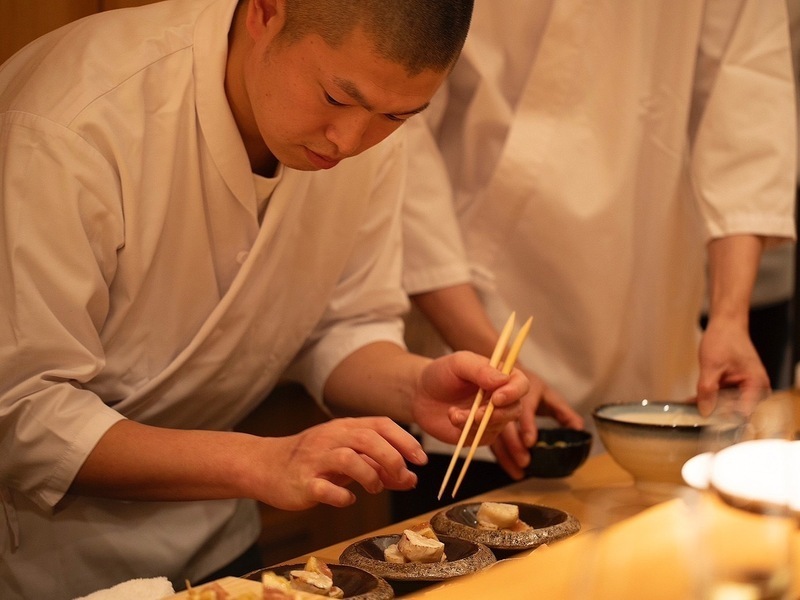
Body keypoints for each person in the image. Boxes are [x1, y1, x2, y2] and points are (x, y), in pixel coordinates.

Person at [0, 0, 533, 598]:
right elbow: (23, 411)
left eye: (396, 116)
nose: (351, 141)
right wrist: (263, 463)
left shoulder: (369, 114)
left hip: (222, 542)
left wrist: (417, 386)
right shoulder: (73, 123)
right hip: (43, 564)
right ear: (266, 12)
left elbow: (344, 323)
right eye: (336, 99)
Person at [393, 0, 797, 519]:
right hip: (474, 312)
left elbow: (746, 95)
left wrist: (729, 316)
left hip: (652, 329)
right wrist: (488, 352)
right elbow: (402, 116)